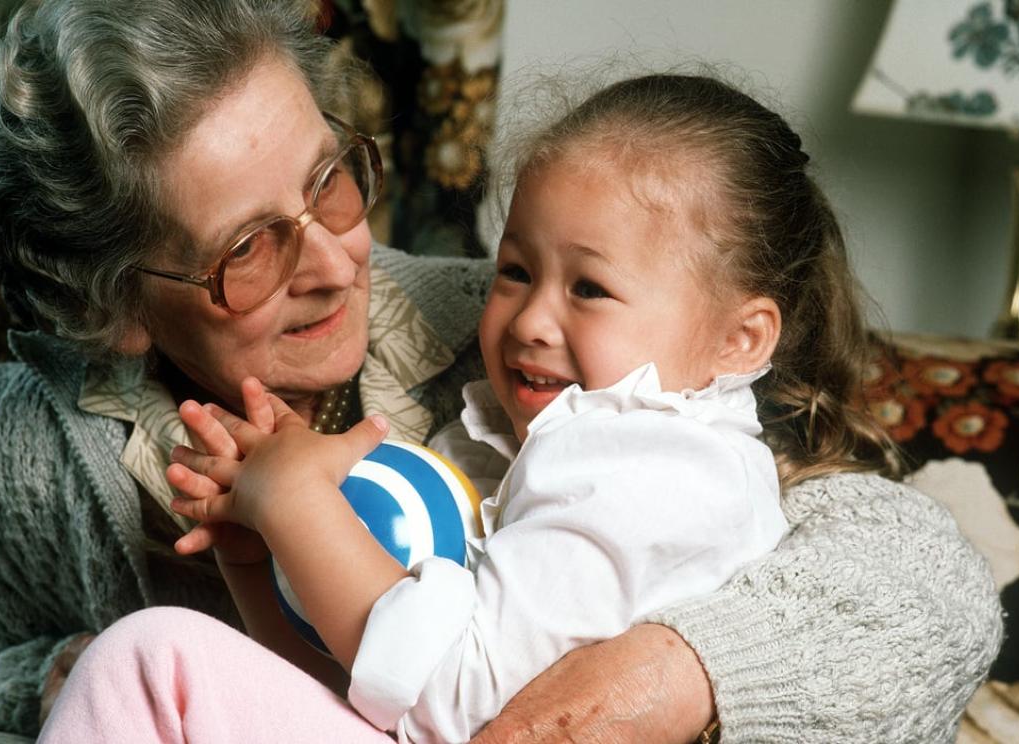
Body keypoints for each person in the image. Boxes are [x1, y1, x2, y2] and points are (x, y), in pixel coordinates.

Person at [0, 0, 1002, 742]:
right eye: (249, 247)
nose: (337, 259)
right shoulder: (25, 447)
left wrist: (686, 669)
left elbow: (928, 585)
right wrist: (53, 674)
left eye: (330, 181)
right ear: (115, 303)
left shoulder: (551, 359)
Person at [42, 72, 803, 743]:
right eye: (515, 269)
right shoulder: (534, 438)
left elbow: (459, 703)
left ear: (740, 340)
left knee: (148, 663)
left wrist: (302, 505)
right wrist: (256, 559)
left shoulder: (653, 470)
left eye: (590, 289)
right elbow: (366, 695)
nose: (531, 320)